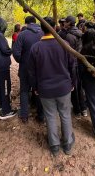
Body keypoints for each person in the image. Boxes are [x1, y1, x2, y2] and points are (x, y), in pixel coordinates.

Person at [28, 17, 76, 156]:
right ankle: (67, 144)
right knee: (65, 114)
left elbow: (31, 72)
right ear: (55, 27)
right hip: (64, 87)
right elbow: (73, 66)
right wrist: (73, 82)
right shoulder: (64, 44)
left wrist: (35, 87)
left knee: (50, 116)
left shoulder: (36, 47)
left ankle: (54, 145)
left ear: (41, 29)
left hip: (45, 89)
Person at [13, 16, 44, 123]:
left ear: (26, 24)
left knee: (24, 90)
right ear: (35, 23)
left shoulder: (22, 35)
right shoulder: (43, 33)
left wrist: (23, 61)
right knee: (39, 90)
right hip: (40, 67)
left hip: (25, 67)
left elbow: (16, 53)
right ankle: (41, 115)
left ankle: (24, 115)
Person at [0, 17, 17, 120]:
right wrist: (12, 50)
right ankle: (6, 111)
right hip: (2, 66)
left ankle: (1, 105)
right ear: (0, 25)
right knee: (5, 87)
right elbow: (5, 50)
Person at [64, 15, 87, 118]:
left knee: (74, 87)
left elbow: (68, 52)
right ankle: (84, 108)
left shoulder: (69, 36)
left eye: (65, 22)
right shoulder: (80, 33)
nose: (64, 23)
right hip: (80, 63)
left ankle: (77, 110)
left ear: (69, 23)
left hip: (73, 64)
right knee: (81, 86)